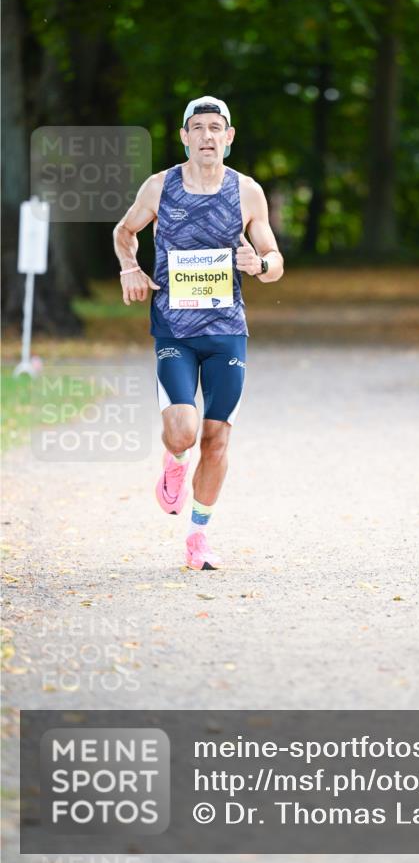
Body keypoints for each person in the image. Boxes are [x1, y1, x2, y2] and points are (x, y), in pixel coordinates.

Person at [113, 97, 284, 568]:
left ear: (229, 137)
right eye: (198, 128)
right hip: (175, 329)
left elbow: (274, 261)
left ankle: (198, 537)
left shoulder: (247, 191)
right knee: (184, 432)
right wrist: (130, 267)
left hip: (227, 330)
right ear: (185, 137)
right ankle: (173, 463)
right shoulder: (159, 187)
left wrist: (261, 263)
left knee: (217, 437)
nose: (207, 136)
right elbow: (124, 232)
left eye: (216, 128)